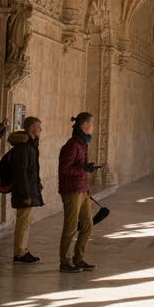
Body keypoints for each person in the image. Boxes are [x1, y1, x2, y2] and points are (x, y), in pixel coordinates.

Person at [58, 112, 102, 273]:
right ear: (84, 125)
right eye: (92, 123)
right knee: (70, 227)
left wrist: (88, 191)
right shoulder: (72, 145)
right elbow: (64, 169)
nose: (94, 126)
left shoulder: (83, 143)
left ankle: (78, 259)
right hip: (71, 190)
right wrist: (84, 169)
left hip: (82, 190)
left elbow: (80, 168)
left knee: (88, 225)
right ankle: (65, 261)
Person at [8, 116, 44, 264]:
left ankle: (22, 250)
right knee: (23, 222)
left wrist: (38, 184)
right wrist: (26, 194)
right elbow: (20, 173)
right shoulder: (23, 148)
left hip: (30, 189)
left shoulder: (30, 145)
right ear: (31, 128)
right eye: (38, 126)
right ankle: (20, 253)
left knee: (26, 221)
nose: (41, 129)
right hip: (25, 192)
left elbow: (31, 170)